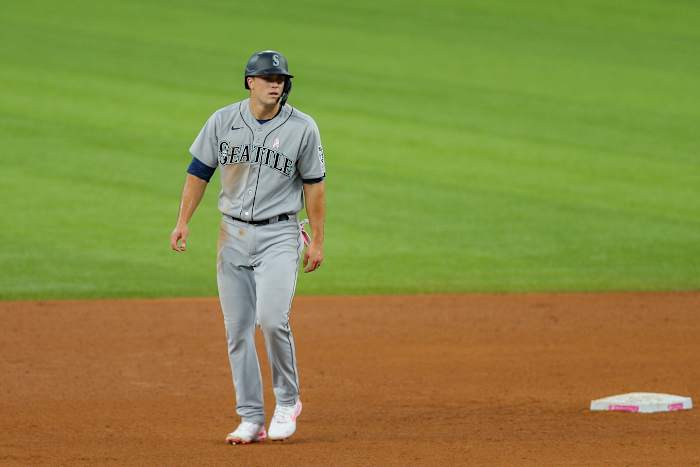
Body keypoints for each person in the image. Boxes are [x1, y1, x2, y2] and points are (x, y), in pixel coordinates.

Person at [170, 50, 326, 444]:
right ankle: (251, 417)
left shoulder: (303, 128)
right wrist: (183, 221)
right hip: (232, 236)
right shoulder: (222, 121)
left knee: (272, 318)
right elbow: (198, 172)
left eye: (282, 78)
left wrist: (318, 240)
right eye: (268, 77)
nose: (277, 83)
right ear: (249, 82)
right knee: (238, 330)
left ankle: (288, 401)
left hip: (279, 235)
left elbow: (315, 186)